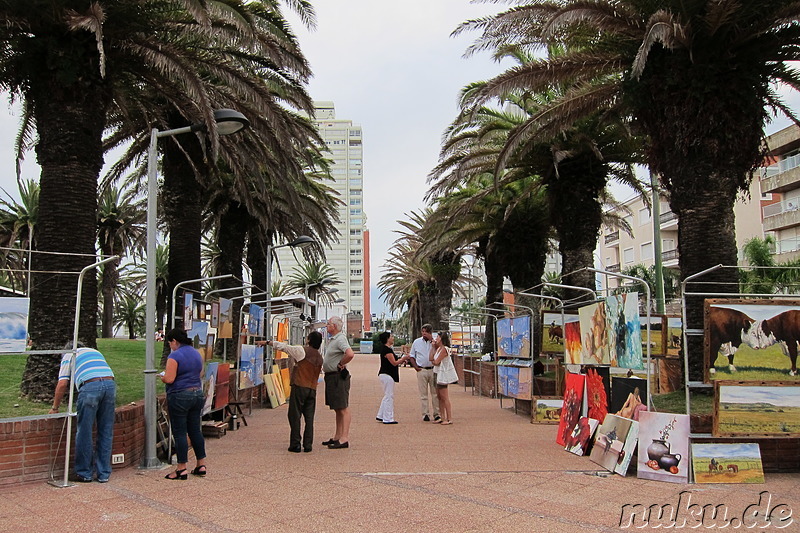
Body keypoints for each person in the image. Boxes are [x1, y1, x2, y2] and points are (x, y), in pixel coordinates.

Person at [49, 343, 116, 483]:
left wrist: (55, 407)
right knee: (106, 430)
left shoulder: (69, 355)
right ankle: (103, 473)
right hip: (110, 385)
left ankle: (84, 473)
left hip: (90, 386)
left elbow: (62, 384)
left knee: (84, 431)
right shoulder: (94, 351)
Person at [258, 332, 323, 453]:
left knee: (294, 415)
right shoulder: (319, 357)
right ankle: (308, 445)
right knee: (309, 418)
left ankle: (295, 443)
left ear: (309, 340)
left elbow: (283, 347)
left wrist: (267, 342)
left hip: (299, 386)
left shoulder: (301, 351)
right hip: (312, 389)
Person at [161, 328, 207, 480]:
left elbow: (169, 379)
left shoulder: (175, 355)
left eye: (170, 343)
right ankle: (201, 464)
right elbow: (200, 373)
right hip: (197, 394)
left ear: (174, 341)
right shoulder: (196, 353)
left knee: (180, 432)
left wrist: (162, 377)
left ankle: (181, 468)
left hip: (180, 395)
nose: (170, 346)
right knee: (195, 430)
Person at [321, 316, 355, 449]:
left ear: (334, 326)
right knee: (337, 408)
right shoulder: (333, 339)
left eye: (328, 324)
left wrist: (341, 363)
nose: (327, 326)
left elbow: (350, 354)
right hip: (331, 377)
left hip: (338, 377)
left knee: (343, 407)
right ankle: (337, 436)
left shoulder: (340, 339)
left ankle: (344, 438)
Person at [376, 331, 409, 424]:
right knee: (389, 396)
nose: (393, 338)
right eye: (391, 337)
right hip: (387, 375)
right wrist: (403, 359)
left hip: (386, 374)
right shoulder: (387, 350)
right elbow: (394, 362)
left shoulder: (386, 349)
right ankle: (388, 418)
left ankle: (381, 415)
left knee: (387, 394)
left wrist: (401, 360)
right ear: (387, 339)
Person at [409, 324, 440, 422]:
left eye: (426, 332)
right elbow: (412, 355)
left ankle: (437, 414)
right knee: (423, 394)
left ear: (430, 332)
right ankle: (425, 413)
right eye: (422, 331)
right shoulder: (417, 342)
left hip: (433, 369)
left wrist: (434, 343)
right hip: (421, 369)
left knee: (435, 393)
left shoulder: (435, 342)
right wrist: (415, 367)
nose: (424, 334)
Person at [431, 332, 454, 425]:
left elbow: (436, 361)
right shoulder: (438, 349)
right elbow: (431, 358)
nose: (436, 338)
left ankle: (449, 418)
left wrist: (434, 361)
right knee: (439, 396)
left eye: (438, 337)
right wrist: (433, 347)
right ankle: (442, 416)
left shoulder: (445, 349)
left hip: (442, 374)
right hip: (436, 372)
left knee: (444, 396)